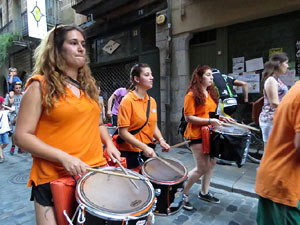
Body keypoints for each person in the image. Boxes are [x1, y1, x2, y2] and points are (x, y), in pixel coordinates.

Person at [14, 24, 121, 225]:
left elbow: (98, 123)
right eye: (73, 43)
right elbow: (21, 136)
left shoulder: (89, 86)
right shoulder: (39, 86)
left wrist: (110, 144)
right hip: (53, 179)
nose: (81, 48)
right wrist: (64, 157)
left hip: (92, 173)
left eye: (82, 44)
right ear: (57, 50)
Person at [182, 65, 234, 210]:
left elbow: (210, 114)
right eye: (209, 75)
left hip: (210, 133)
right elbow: (189, 117)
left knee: (211, 164)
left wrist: (221, 118)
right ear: (200, 77)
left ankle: (204, 192)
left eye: (211, 75)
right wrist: (210, 121)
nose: (212, 78)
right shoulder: (191, 95)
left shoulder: (211, 93)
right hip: (196, 135)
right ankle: (182, 194)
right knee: (202, 167)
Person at [255, 80, 300, 225]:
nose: (286, 66)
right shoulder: (273, 82)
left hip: (281, 180)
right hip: (283, 183)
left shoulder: (294, 88)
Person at [117, 63, 170, 170]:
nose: (152, 77)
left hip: (147, 151)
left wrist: (161, 140)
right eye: (147, 75)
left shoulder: (152, 101)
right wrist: (144, 147)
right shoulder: (127, 101)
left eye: (151, 74)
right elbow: (122, 132)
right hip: (130, 153)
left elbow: (152, 125)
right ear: (136, 79)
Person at [259, 52, 289, 148]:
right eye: (286, 63)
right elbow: (274, 102)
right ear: (279, 64)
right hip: (271, 119)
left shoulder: (276, 79)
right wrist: (291, 109)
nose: (287, 66)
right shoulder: (271, 80)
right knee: (270, 150)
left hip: (276, 118)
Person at [5, 82, 23, 155]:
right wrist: (10, 101)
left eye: (19, 88)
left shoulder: (23, 95)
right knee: (14, 133)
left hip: (22, 115)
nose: (18, 89)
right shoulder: (9, 96)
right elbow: (6, 106)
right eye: (16, 88)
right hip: (13, 116)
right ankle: (13, 146)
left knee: (21, 132)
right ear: (13, 89)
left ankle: (20, 146)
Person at [0, 96, 14, 163]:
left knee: (6, 143)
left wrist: (4, 106)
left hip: (4, 130)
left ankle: (0, 151)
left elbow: (12, 110)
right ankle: (1, 157)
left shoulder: (5, 111)